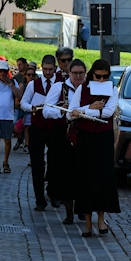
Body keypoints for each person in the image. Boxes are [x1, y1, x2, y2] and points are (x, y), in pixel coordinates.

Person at [70, 59, 120, 236]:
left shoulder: (113, 90)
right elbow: (71, 113)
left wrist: (83, 112)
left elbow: (107, 112)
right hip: (86, 138)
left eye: (105, 77)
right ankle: (88, 223)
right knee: (86, 178)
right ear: (92, 74)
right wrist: (89, 107)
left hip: (103, 138)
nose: (101, 80)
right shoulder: (82, 88)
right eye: (98, 76)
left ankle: (101, 220)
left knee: (103, 178)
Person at [44, 59, 84, 223]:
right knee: (66, 173)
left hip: (84, 133)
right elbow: (46, 110)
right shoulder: (59, 87)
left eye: (81, 73)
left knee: (83, 173)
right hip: (63, 134)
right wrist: (62, 111)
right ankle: (68, 212)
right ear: (69, 73)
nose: (78, 76)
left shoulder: (89, 88)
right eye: (75, 73)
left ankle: (83, 209)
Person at [22, 55, 56, 211]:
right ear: (42, 68)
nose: (48, 73)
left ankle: (54, 194)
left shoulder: (59, 84)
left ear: (54, 69)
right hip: (37, 126)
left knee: (56, 162)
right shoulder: (33, 84)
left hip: (55, 126)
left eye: (50, 70)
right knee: (37, 164)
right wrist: (32, 108)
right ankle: (39, 199)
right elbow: (23, 102)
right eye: (45, 69)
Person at [0, 59, 20, 174]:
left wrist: (10, 84)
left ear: (7, 71)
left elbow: (19, 96)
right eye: (0, 71)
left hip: (8, 116)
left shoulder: (13, 82)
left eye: (4, 71)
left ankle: (5, 162)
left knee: (7, 140)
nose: (2, 73)